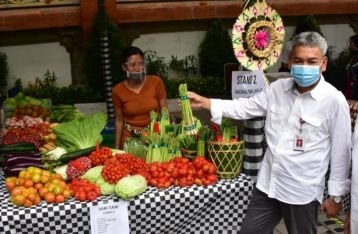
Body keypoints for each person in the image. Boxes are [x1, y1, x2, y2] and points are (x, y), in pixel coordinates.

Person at [188, 31, 351, 234]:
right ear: (289, 62)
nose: (304, 67)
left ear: (324, 63)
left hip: (301, 192)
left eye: (312, 61)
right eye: (298, 60)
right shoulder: (277, 89)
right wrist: (206, 102)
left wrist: (335, 197)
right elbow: (246, 107)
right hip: (269, 185)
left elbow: (341, 153)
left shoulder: (334, 101)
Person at [112, 46, 167, 149]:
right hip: (130, 139)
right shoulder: (117, 90)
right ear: (124, 67)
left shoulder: (156, 82)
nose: (138, 68)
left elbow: (165, 112)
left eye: (141, 64)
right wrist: (117, 147)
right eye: (132, 65)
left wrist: (166, 135)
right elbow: (119, 120)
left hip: (155, 137)